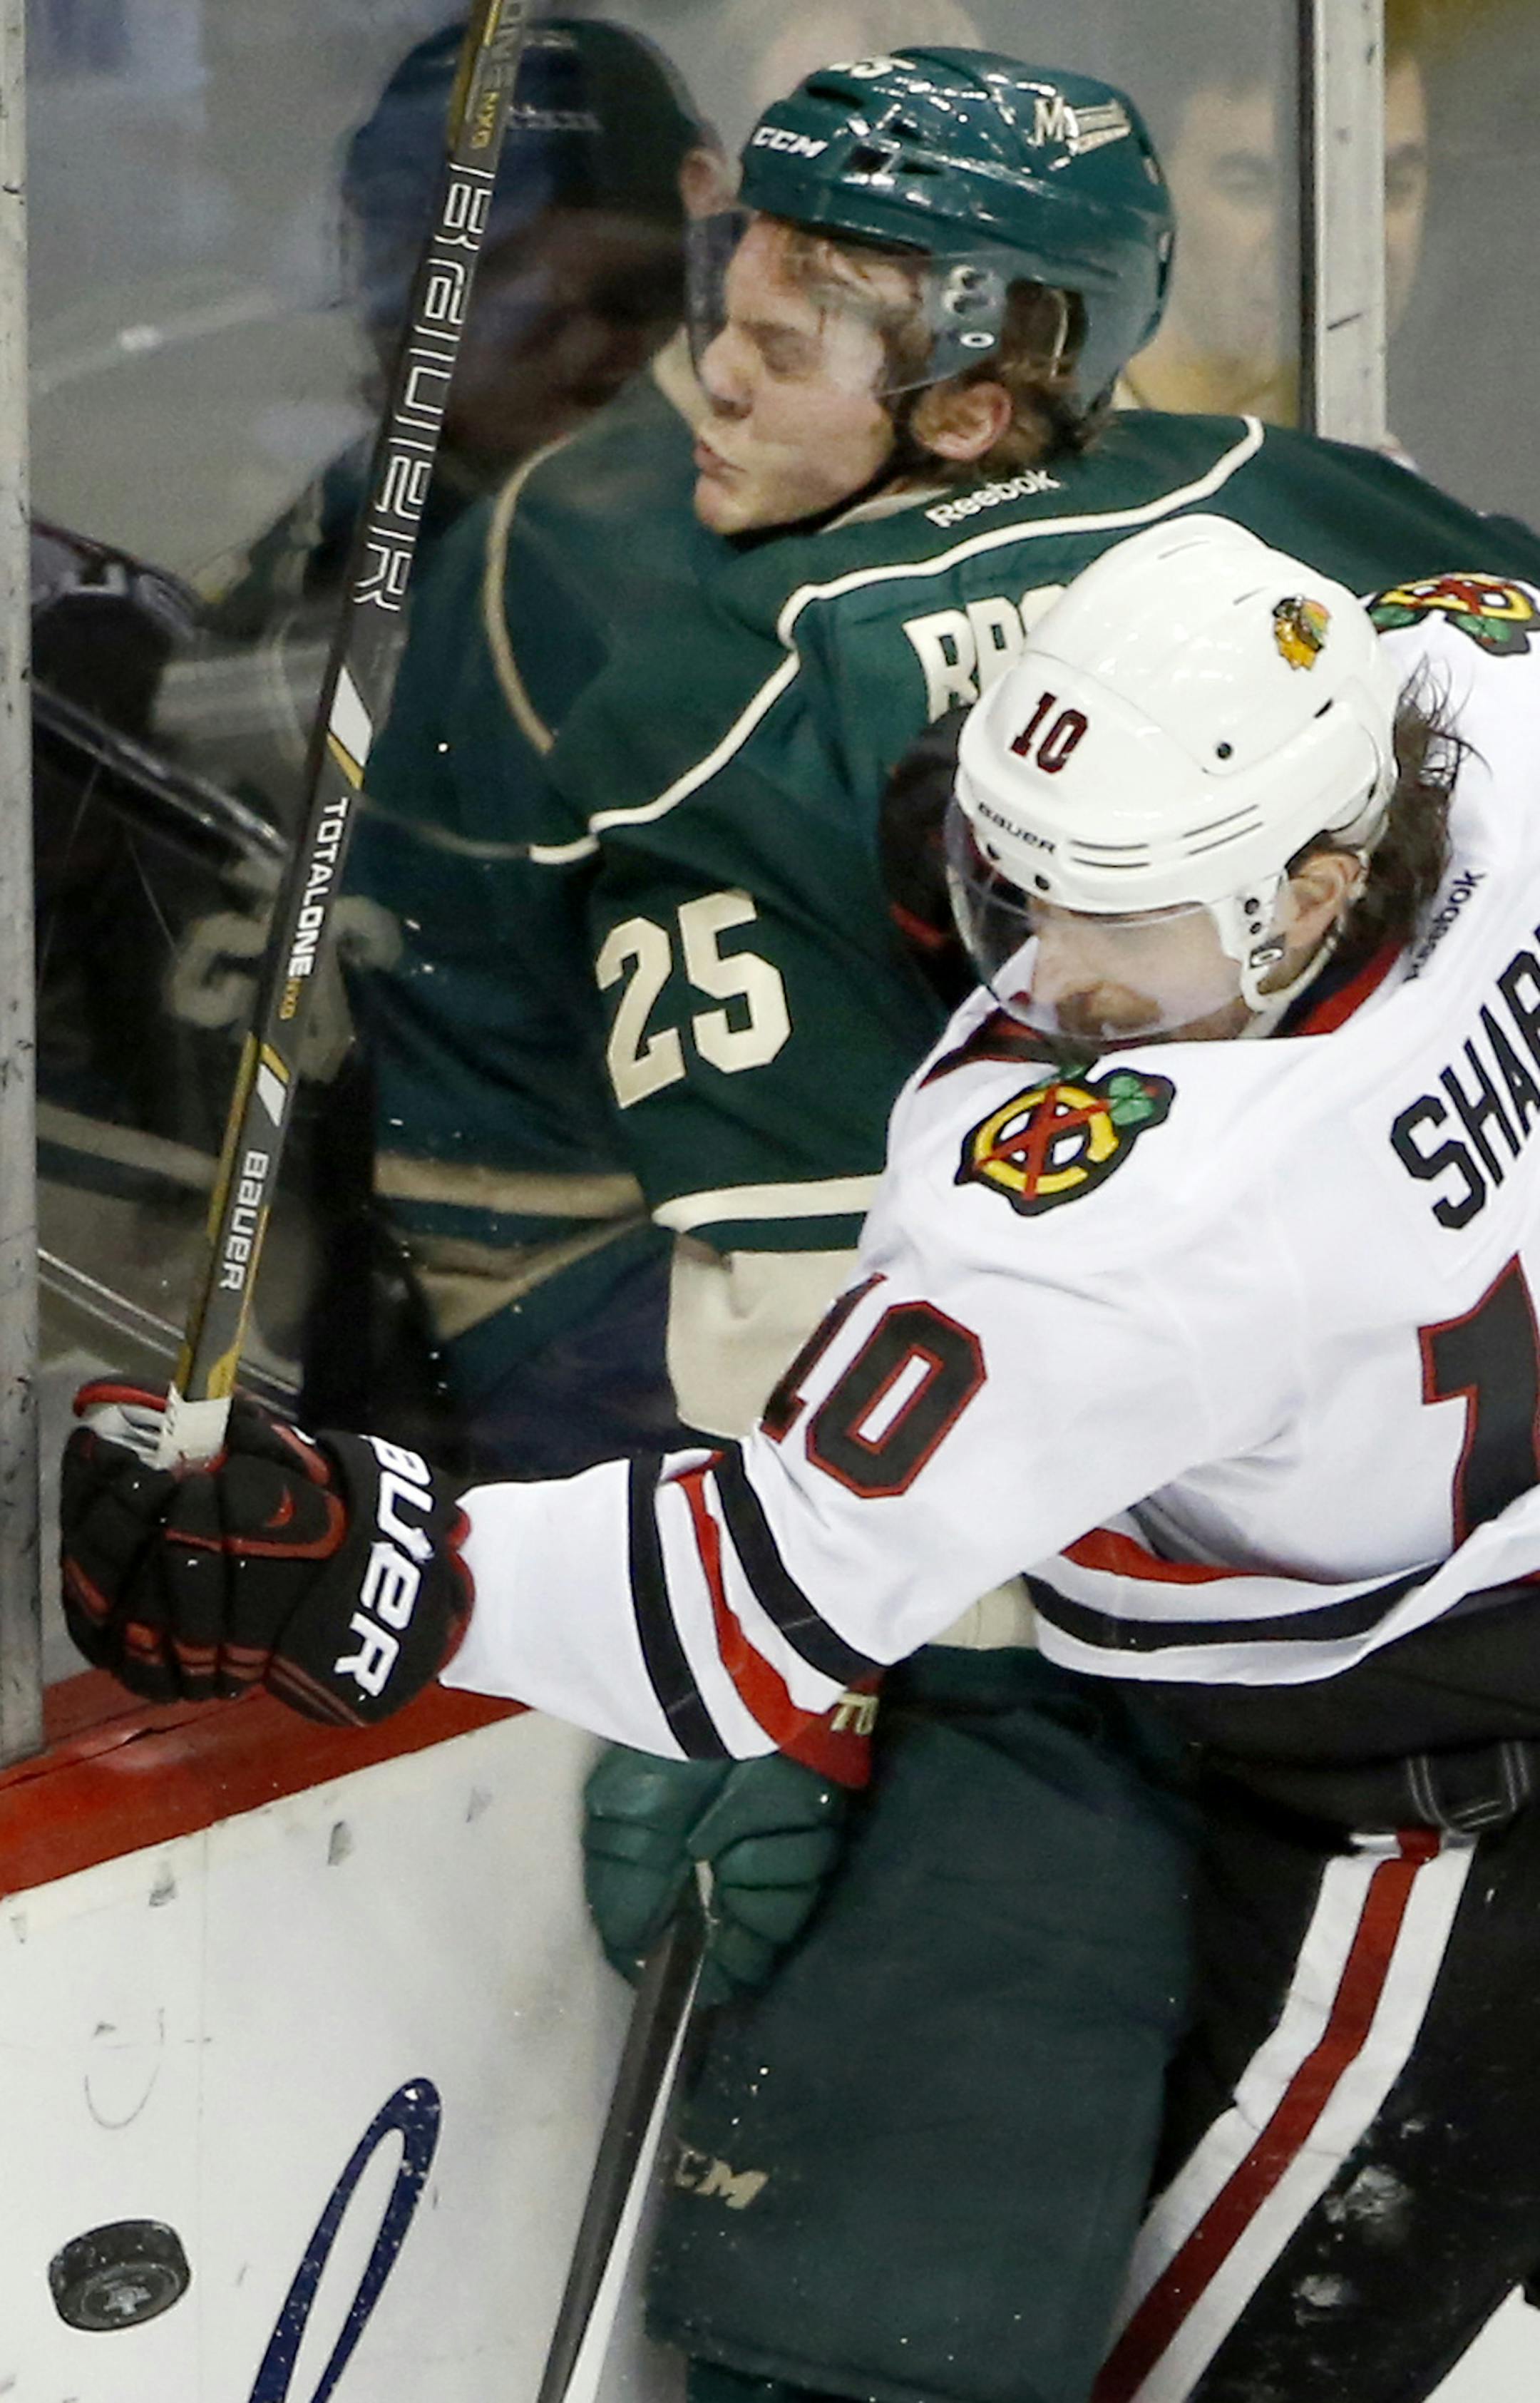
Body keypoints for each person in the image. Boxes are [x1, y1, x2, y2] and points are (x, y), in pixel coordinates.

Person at [60, 519, 1540, 2402]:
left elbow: (750, 1610)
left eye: (1115, 915)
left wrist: (351, 1566)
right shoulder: (1485, 694)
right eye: (1022, 887)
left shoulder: (1127, 1227)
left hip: (1435, 1812)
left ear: (1314, 889)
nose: (1047, 967)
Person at [1118, 0, 1431, 426]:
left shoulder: (1385, 451)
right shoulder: (1057, 453)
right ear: (1151, 194)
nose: (1333, 247)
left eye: (1391, 187)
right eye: (1256, 188)